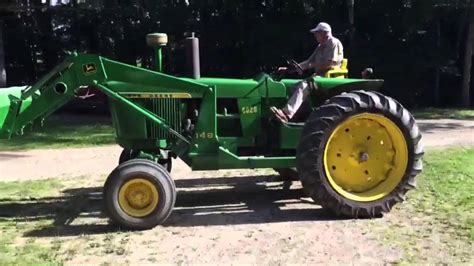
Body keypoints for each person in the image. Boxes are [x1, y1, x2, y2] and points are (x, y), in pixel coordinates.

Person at [271, 22, 344, 122]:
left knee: (304, 86)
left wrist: (312, 65)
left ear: (325, 33)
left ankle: (286, 114)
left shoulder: (333, 42)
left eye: (317, 33)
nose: (315, 35)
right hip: (319, 76)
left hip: (329, 76)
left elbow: (331, 62)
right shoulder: (320, 46)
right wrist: (289, 70)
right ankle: (303, 116)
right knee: (294, 87)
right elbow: (308, 62)